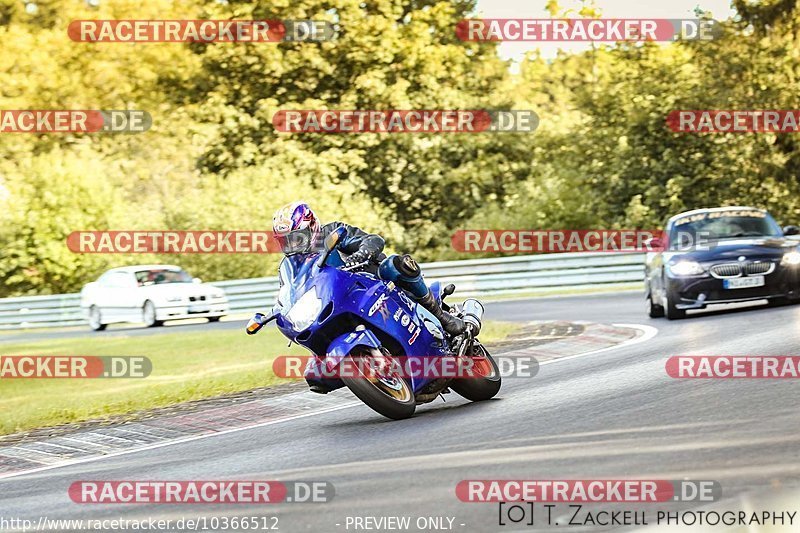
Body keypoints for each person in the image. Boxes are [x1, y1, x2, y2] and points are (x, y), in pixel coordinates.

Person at [272, 201, 466, 336]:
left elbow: (372, 240)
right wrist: (279, 309)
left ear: (311, 226)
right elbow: (288, 291)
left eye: (296, 237)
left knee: (397, 264)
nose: (292, 245)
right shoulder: (290, 266)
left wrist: (361, 254)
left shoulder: (330, 233)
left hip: (370, 281)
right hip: (337, 301)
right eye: (286, 241)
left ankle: (440, 315)